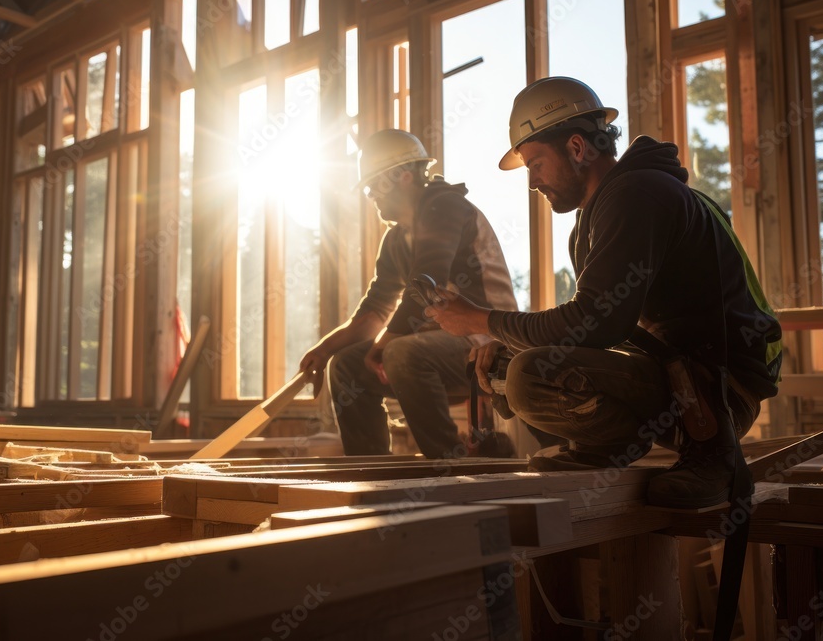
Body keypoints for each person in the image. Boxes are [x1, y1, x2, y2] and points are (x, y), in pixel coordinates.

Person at [426, 77, 782, 508]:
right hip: (678, 377)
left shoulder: (637, 194)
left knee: (529, 374)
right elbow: (602, 323)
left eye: (536, 164)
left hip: (717, 397)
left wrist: (482, 320)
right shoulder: (605, 212)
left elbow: (594, 322)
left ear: (577, 148)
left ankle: (713, 458)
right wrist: (503, 338)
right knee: (511, 360)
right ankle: (608, 449)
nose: (533, 182)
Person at [299, 129, 518, 460]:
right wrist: (325, 349)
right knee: (345, 365)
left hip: (487, 344)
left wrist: (384, 345)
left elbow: (424, 289)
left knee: (401, 353)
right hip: (433, 349)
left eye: (374, 184)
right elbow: (374, 311)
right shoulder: (395, 240)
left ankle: (451, 466)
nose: (370, 194)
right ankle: (372, 471)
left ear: (402, 177)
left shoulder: (446, 206)